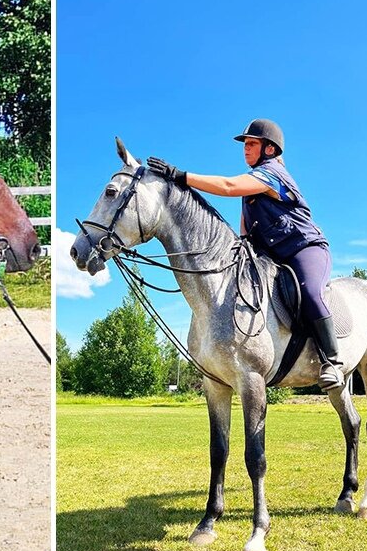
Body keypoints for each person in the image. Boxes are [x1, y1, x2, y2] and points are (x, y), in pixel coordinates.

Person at [146, 119, 344, 390]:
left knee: (309, 291)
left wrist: (180, 176)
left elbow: (228, 186)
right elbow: (245, 231)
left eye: (252, 144)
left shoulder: (272, 173)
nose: (245, 149)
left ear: (270, 150)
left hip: (304, 248)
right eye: (245, 144)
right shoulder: (251, 189)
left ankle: (332, 361)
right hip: (271, 256)